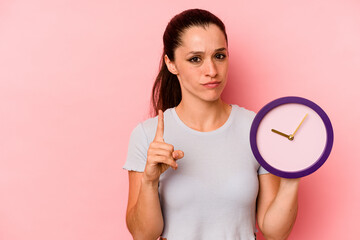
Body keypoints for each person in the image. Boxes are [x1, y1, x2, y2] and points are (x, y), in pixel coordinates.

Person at [123, 8, 300, 240]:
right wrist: (149, 181)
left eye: (219, 56)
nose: (212, 71)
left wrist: (292, 177)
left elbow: (274, 232)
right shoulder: (147, 136)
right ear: (171, 63)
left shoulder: (255, 129)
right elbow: (142, 235)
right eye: (195, 59)